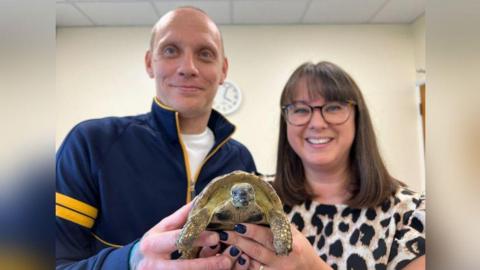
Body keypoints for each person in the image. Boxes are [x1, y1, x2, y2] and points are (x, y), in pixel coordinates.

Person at [55, 6, 256, 269]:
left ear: (223, 70)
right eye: (171, 50)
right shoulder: (90, 144)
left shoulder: (241, 161)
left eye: (205, 54)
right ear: (150, 62)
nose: (188, 67)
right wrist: (130, 261)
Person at [220, 61, 425, 269]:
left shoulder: (411, 214)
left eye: (334, 107)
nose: (317, 123)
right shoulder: (254, 199)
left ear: (358, 117)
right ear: (286, 122)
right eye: (300, 110)